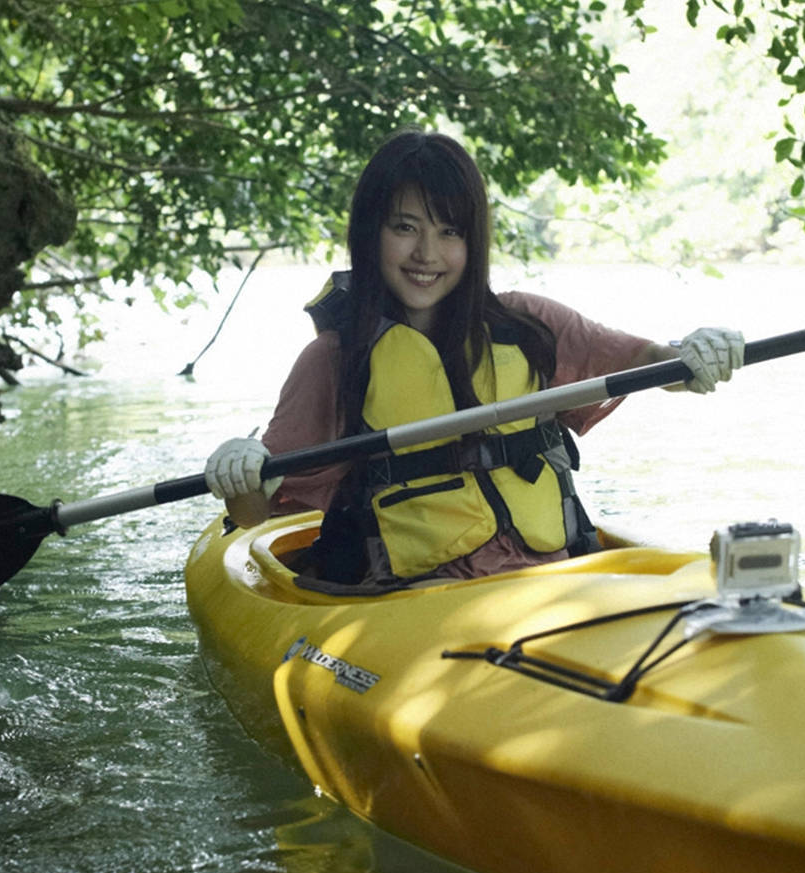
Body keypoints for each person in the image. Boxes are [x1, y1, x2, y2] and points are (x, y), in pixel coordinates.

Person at [204, 130, 743, 586]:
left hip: (551, 582)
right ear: (371, 233)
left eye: (450, 232)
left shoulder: (529, 325)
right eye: (405, 227)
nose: (427, 255)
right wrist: (242, 471)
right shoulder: (333, 361)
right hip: (420, 604)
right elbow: (263, 525)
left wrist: (692, 354)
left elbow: (650, 363)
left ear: (474, 240)